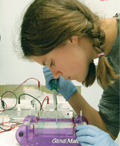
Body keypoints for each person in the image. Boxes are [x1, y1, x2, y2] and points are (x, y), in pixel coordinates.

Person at [20, 0, 120, 145]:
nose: (54, 74)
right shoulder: (110, 64)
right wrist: (69, 92)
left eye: (52, 63)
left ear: (71, 38)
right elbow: (106, 131)